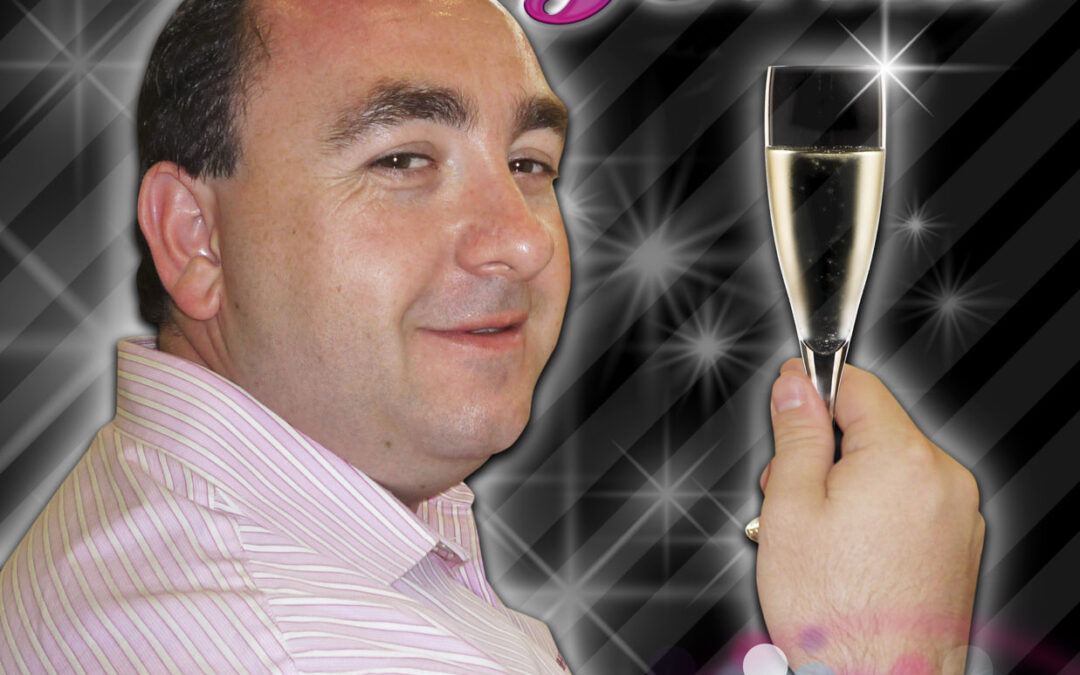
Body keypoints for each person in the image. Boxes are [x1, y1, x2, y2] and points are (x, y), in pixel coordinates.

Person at [0, 0, 983, 672]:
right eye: (402, 159)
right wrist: (887, 647)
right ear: (194, 236)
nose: (523, 239)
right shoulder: (324, 646)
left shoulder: (167, 507)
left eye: (528, 161)